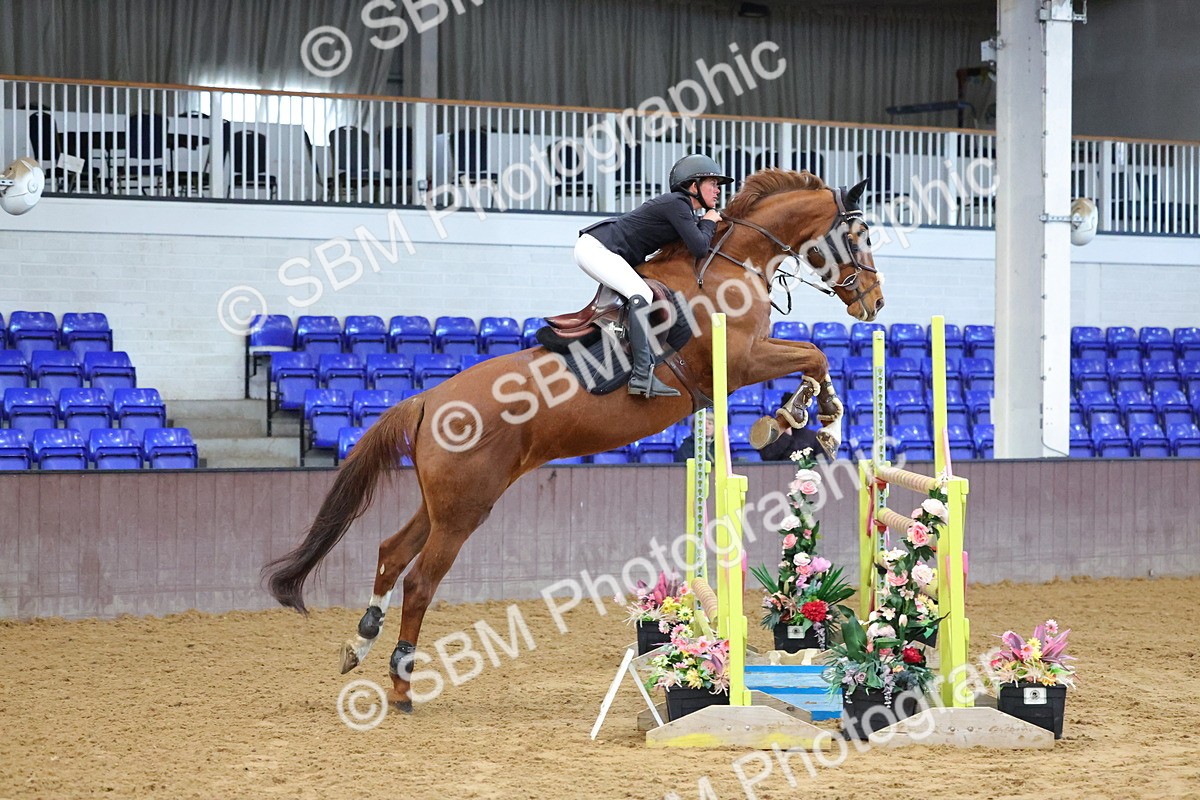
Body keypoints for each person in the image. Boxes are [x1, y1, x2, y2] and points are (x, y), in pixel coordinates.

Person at [576, 154, 731, 398]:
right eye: (712, 183)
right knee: (641, 294)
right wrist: (710, 221)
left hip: (608, 251)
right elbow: (699, 247)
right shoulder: (678, 204)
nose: (717, 190)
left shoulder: (683, 211)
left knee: (644, 293)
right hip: (597, 248)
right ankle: (641, 375)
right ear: (693, 186)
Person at [758, 393, 825, 462]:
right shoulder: (772, 436)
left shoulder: (813, 437)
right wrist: (785, 435)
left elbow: (823, 464)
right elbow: (766, 459)